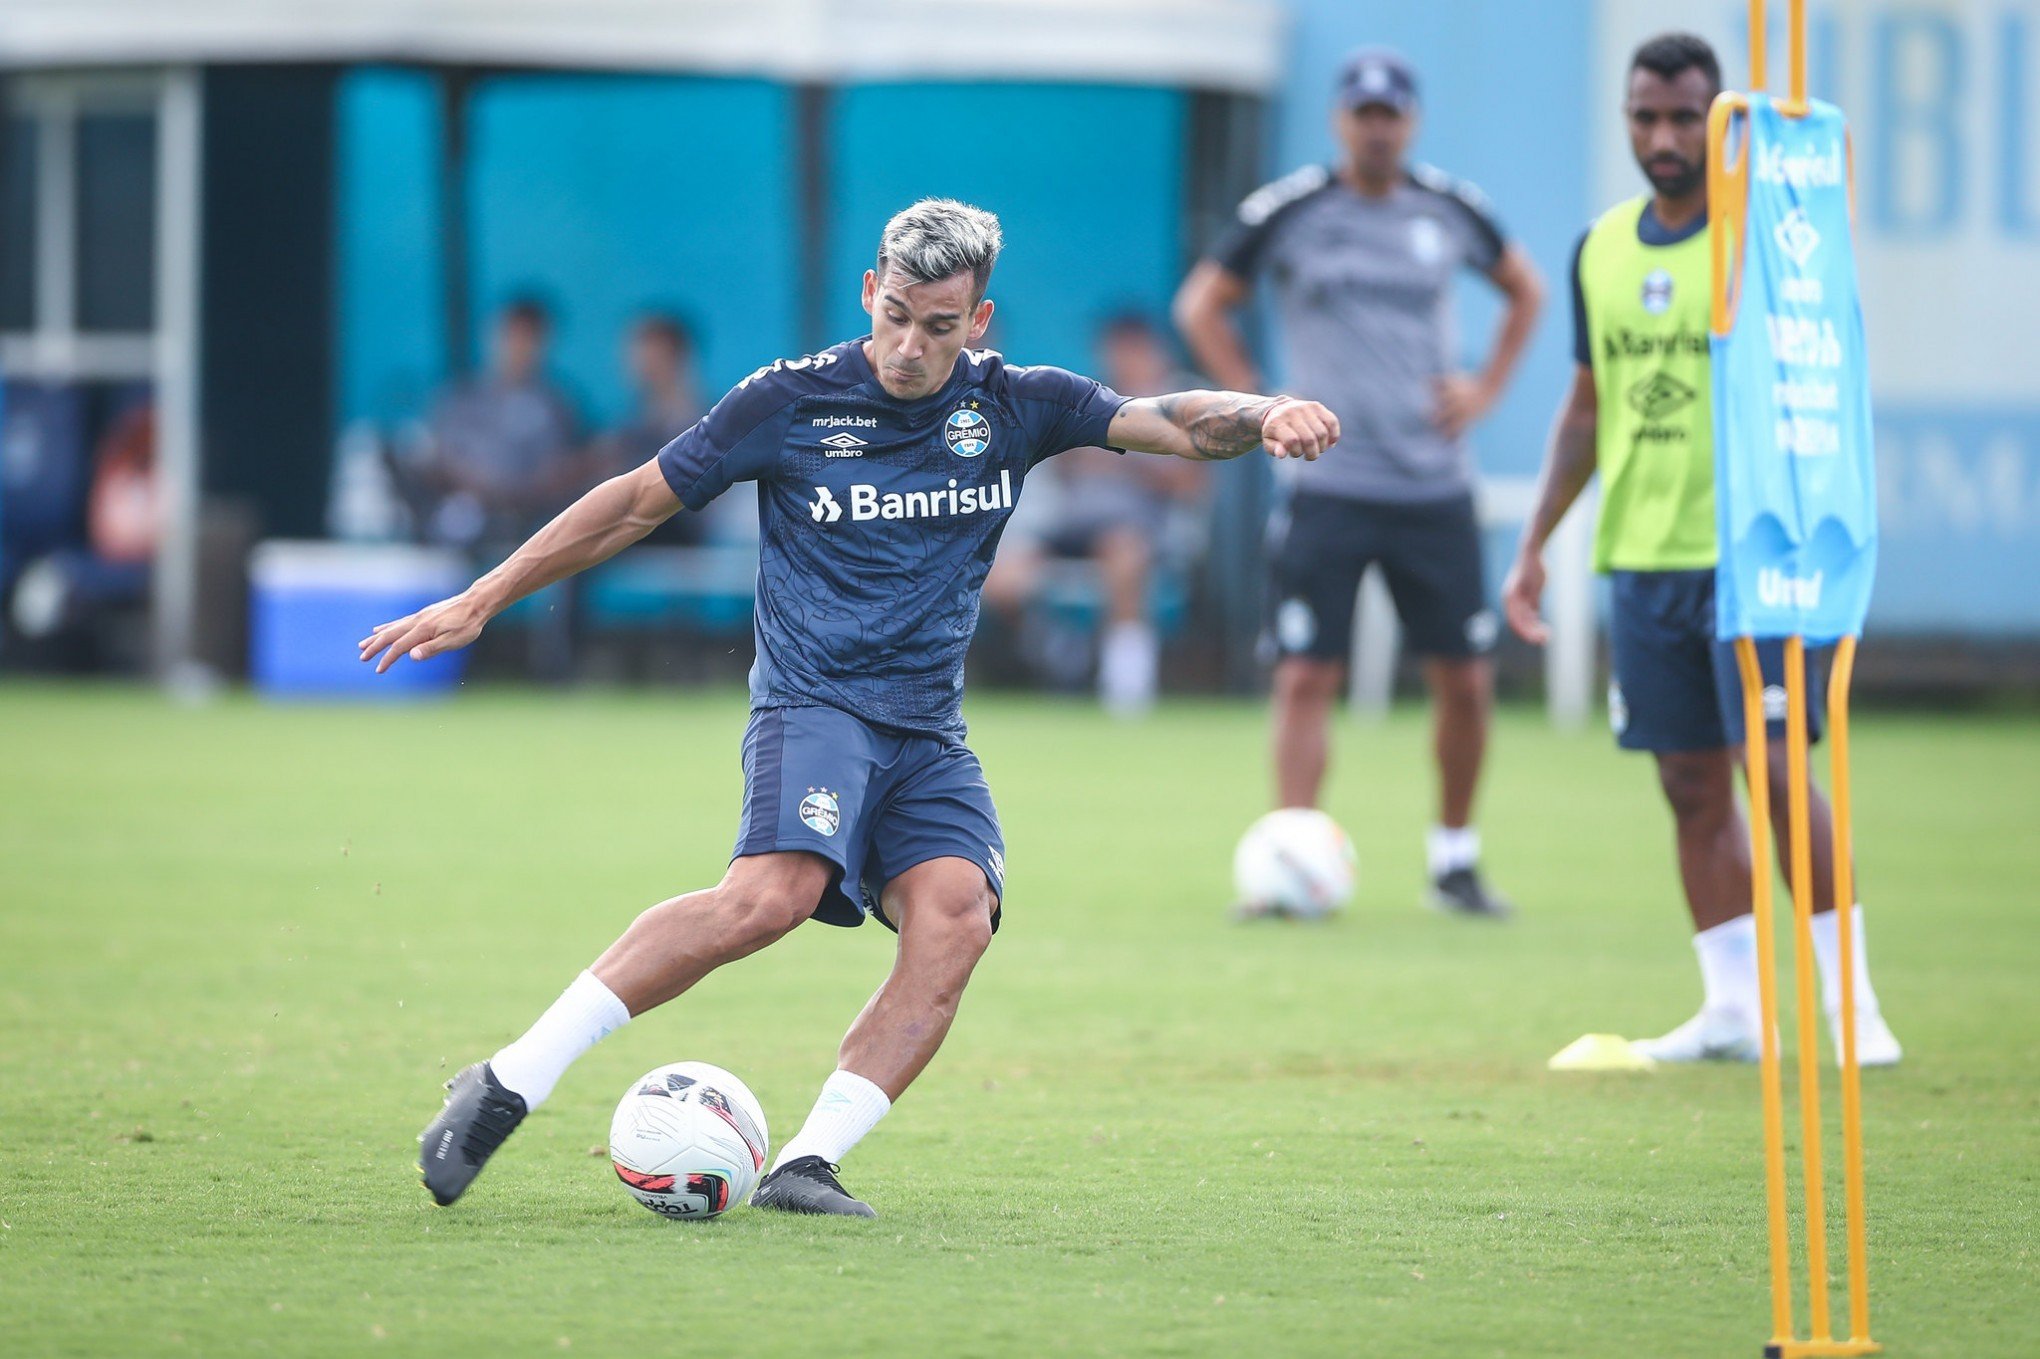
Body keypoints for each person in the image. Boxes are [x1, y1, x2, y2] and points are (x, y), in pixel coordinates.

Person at [362, 198, 1340, 1215]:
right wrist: (481, 597)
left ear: (981, 321)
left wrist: (1265, 411)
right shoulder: (786, 402)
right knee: (767, 899)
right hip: (814, 703)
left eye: (941, 325)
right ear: (870, 292)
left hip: (926, 730)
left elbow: (1170, 421)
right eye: (898, 314)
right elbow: (634, 502)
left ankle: (804, 1165)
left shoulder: (1019, 405)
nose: (911, 345)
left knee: (958, 917)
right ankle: (510, 1080)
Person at [1500, 33, 1900, 1065]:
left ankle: (1853, 1011)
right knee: (1688, 785)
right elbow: (1589, 409)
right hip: (1642, 556)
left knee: (1773, 767)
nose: (1665, 137)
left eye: (1686, 116)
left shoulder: (1773, 236)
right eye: (1646, 116)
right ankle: (1732, 1011)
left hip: (1755, 557)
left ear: (1725, 120)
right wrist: (1536, 542)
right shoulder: (1604, 248)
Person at [1174, 46, 1544, 919]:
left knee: (1464, 676)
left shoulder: (1448, 210)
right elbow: (1201, 303)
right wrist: (1264, 404)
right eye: (1363, 113)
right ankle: (1295, 860)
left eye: (1392, 113)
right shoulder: (1296, 209)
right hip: (1328, 484)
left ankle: (1454, 860)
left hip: (1432, 485)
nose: (1377, 128)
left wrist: (1486, 387)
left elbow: (1525, 289)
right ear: (1342, 120)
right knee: (1307, 672)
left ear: (1410, 121)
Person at [983, 313, 1207, 714]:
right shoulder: (1091, 401)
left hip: (1135, 529)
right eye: (1115, 351)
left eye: (1132, 351)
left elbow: (1190, 485)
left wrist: (1128, 462)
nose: (1123, 360)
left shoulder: (1179, 405)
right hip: (1070, 525)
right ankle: (1056, 650)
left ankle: (1126, 686)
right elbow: (1057, 461)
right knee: (1001, 577)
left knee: (1122, 554)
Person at [415, 297, 582, 553]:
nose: (518, 347)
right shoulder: (462, 398)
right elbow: (438, 456)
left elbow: (561, 473)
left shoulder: (558, 406)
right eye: (512, 335)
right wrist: (472, 482)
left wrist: (510, 493)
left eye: (528, 338)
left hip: (528, 525)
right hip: (459, 516)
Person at [590, 313, 713, 546]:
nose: (638, 362)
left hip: (682, 523)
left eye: (649, 354)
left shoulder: (697, 414)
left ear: (673, 356)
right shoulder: (637, 416)